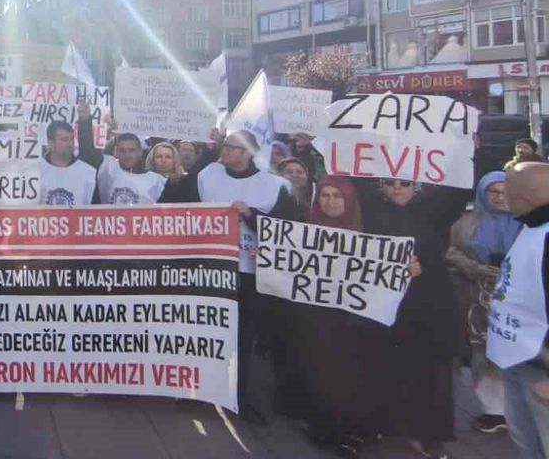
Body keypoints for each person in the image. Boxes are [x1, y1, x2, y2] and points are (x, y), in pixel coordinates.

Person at [187, 129, 300, 424]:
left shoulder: (274, 186)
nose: (225, 151)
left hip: (250, 274)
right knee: (207, 332)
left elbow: (287, 230)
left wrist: (251, 215)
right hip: (212, 269)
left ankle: (239, 397)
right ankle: (201, 392)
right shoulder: (207, 175)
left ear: (249, 153)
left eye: (233, 147)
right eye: (225, 145)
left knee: (243, 338)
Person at [359, 176, 470, 458]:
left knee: (431, 371)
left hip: (429, 304)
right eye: (390, 182)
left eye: (405, 183)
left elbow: (459, 188)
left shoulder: (434, 209)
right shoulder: (370, 209)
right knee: (387, 365)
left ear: (417, 185)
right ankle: (390, 425)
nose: (397, 187)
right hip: (387, 304)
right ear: (380, 185)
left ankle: (430, 434)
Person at [288, 177, 395, 456]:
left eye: (338, 196)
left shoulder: (369, 233)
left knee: (353, 373)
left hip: (355, 321)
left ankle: (353, 431)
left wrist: (407, 268)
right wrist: (267, 256)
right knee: (322, 371)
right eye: (325, 195)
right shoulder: (303, 231)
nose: (331, 202)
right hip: (318, 319)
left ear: (349, 200)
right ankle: (325, 426)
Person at [448, 171, 519, 435]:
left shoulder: (528, 221)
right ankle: (493, 410)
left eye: (504, 191)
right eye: (493, 192)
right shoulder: (466, 220)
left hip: (517, 299)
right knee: (483, 353)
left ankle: (518, 407)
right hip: (476, 297)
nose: (500, 197)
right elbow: (450, 249)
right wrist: (474, 267)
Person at [487, 162, 549, 459]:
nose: (503, 192)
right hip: (522, 358)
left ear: (527, 194)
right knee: (527, 442)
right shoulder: (532, 226)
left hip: (542, 370)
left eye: (509, 185)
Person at [95, 132, 165, 206]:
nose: (127, 155)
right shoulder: (107, 167)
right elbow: (90, 151)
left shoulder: (158, 181)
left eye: (131, 150)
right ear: (116, 152)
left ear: (140, 152)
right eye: (122, 150)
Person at [39, 120, 97, 206]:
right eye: (64, 140)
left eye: (72, 139)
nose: (70, 144)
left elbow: (97, 209)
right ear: (51, 143)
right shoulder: (35, 171)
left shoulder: (89, 172)